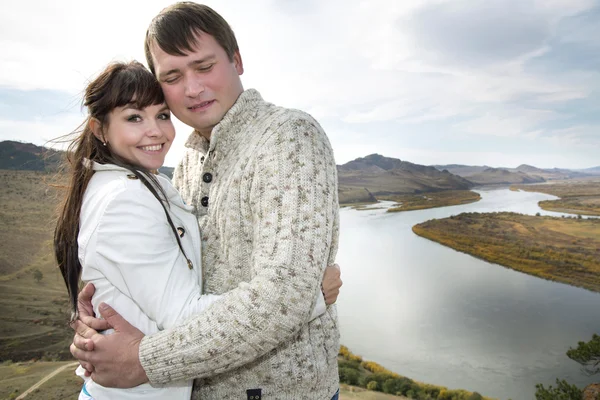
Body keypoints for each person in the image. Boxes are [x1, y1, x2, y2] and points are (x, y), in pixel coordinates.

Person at [71, 3, 342, 399]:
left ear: (236, 60)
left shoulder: (287, 136)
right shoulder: (190, 159)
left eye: (204, 66)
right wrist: (102, 319)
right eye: (173, 76)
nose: (193, 88)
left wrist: (143, 359)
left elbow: (284, 296)